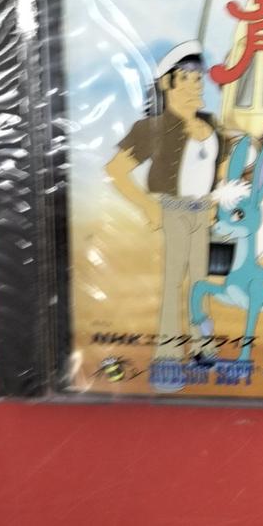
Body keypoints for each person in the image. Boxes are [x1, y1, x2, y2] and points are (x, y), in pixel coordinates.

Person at [105, 40, 228, 370]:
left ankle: (202, 345)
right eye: (185, 79)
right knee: (173, 283)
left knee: (200, 282)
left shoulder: (212, 126)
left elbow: (222, 168)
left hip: (203, 213)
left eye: (198, 79)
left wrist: (217, 200)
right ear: (166, 84)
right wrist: (147, 205)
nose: (194, 86)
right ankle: (169, 354)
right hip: (172, 211)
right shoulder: (153, 128)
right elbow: (116, 170)